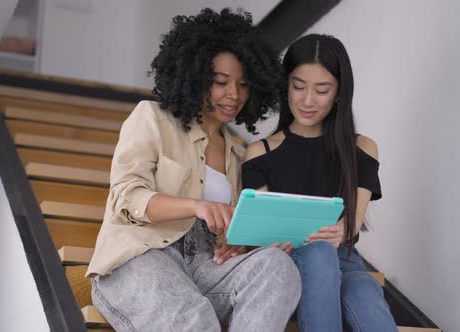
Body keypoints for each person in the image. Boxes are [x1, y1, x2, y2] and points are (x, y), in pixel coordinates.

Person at [86, 8, 301, 332]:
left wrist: (248, 243)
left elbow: (233, 231)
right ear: (196, 76)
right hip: (141, 256)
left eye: (244, 85)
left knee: (278, 267)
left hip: (205, 264)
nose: (234, 95)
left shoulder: (241, 153)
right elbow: (127, 197)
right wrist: (196, 206)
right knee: (194, 318)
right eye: (220, 82)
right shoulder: (152, 118)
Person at [242, 34, 398, 332]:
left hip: (345, 261)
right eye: (298, 87)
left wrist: (340, 230)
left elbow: (353, 222)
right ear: (285, 86)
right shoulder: (260, 152)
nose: (308, 100)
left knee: (364, 291)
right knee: (319, 252)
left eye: (322, 90)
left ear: (339, 93)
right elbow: (262, 234)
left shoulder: (362, 149)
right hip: (288, 263)